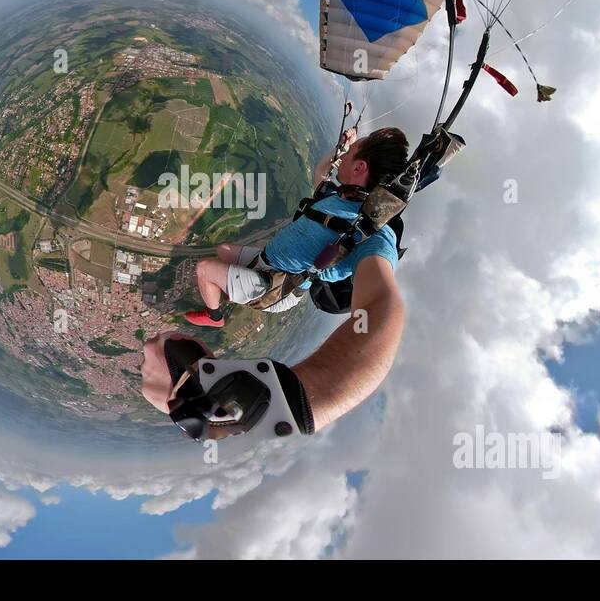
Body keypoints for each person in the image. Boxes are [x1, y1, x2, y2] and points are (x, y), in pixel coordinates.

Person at [140, 127, 410, 433]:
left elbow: (380, 308)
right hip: (266, 262)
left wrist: (266, 408)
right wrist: (343, 146)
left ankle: (215, 316)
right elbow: (322, 171)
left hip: (276, 289)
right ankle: (225, 293)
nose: (342, 160)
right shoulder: (341, 197)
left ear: (360, 168)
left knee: (205, 268)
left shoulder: (375, 236)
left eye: (349, 157)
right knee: (223, 251)